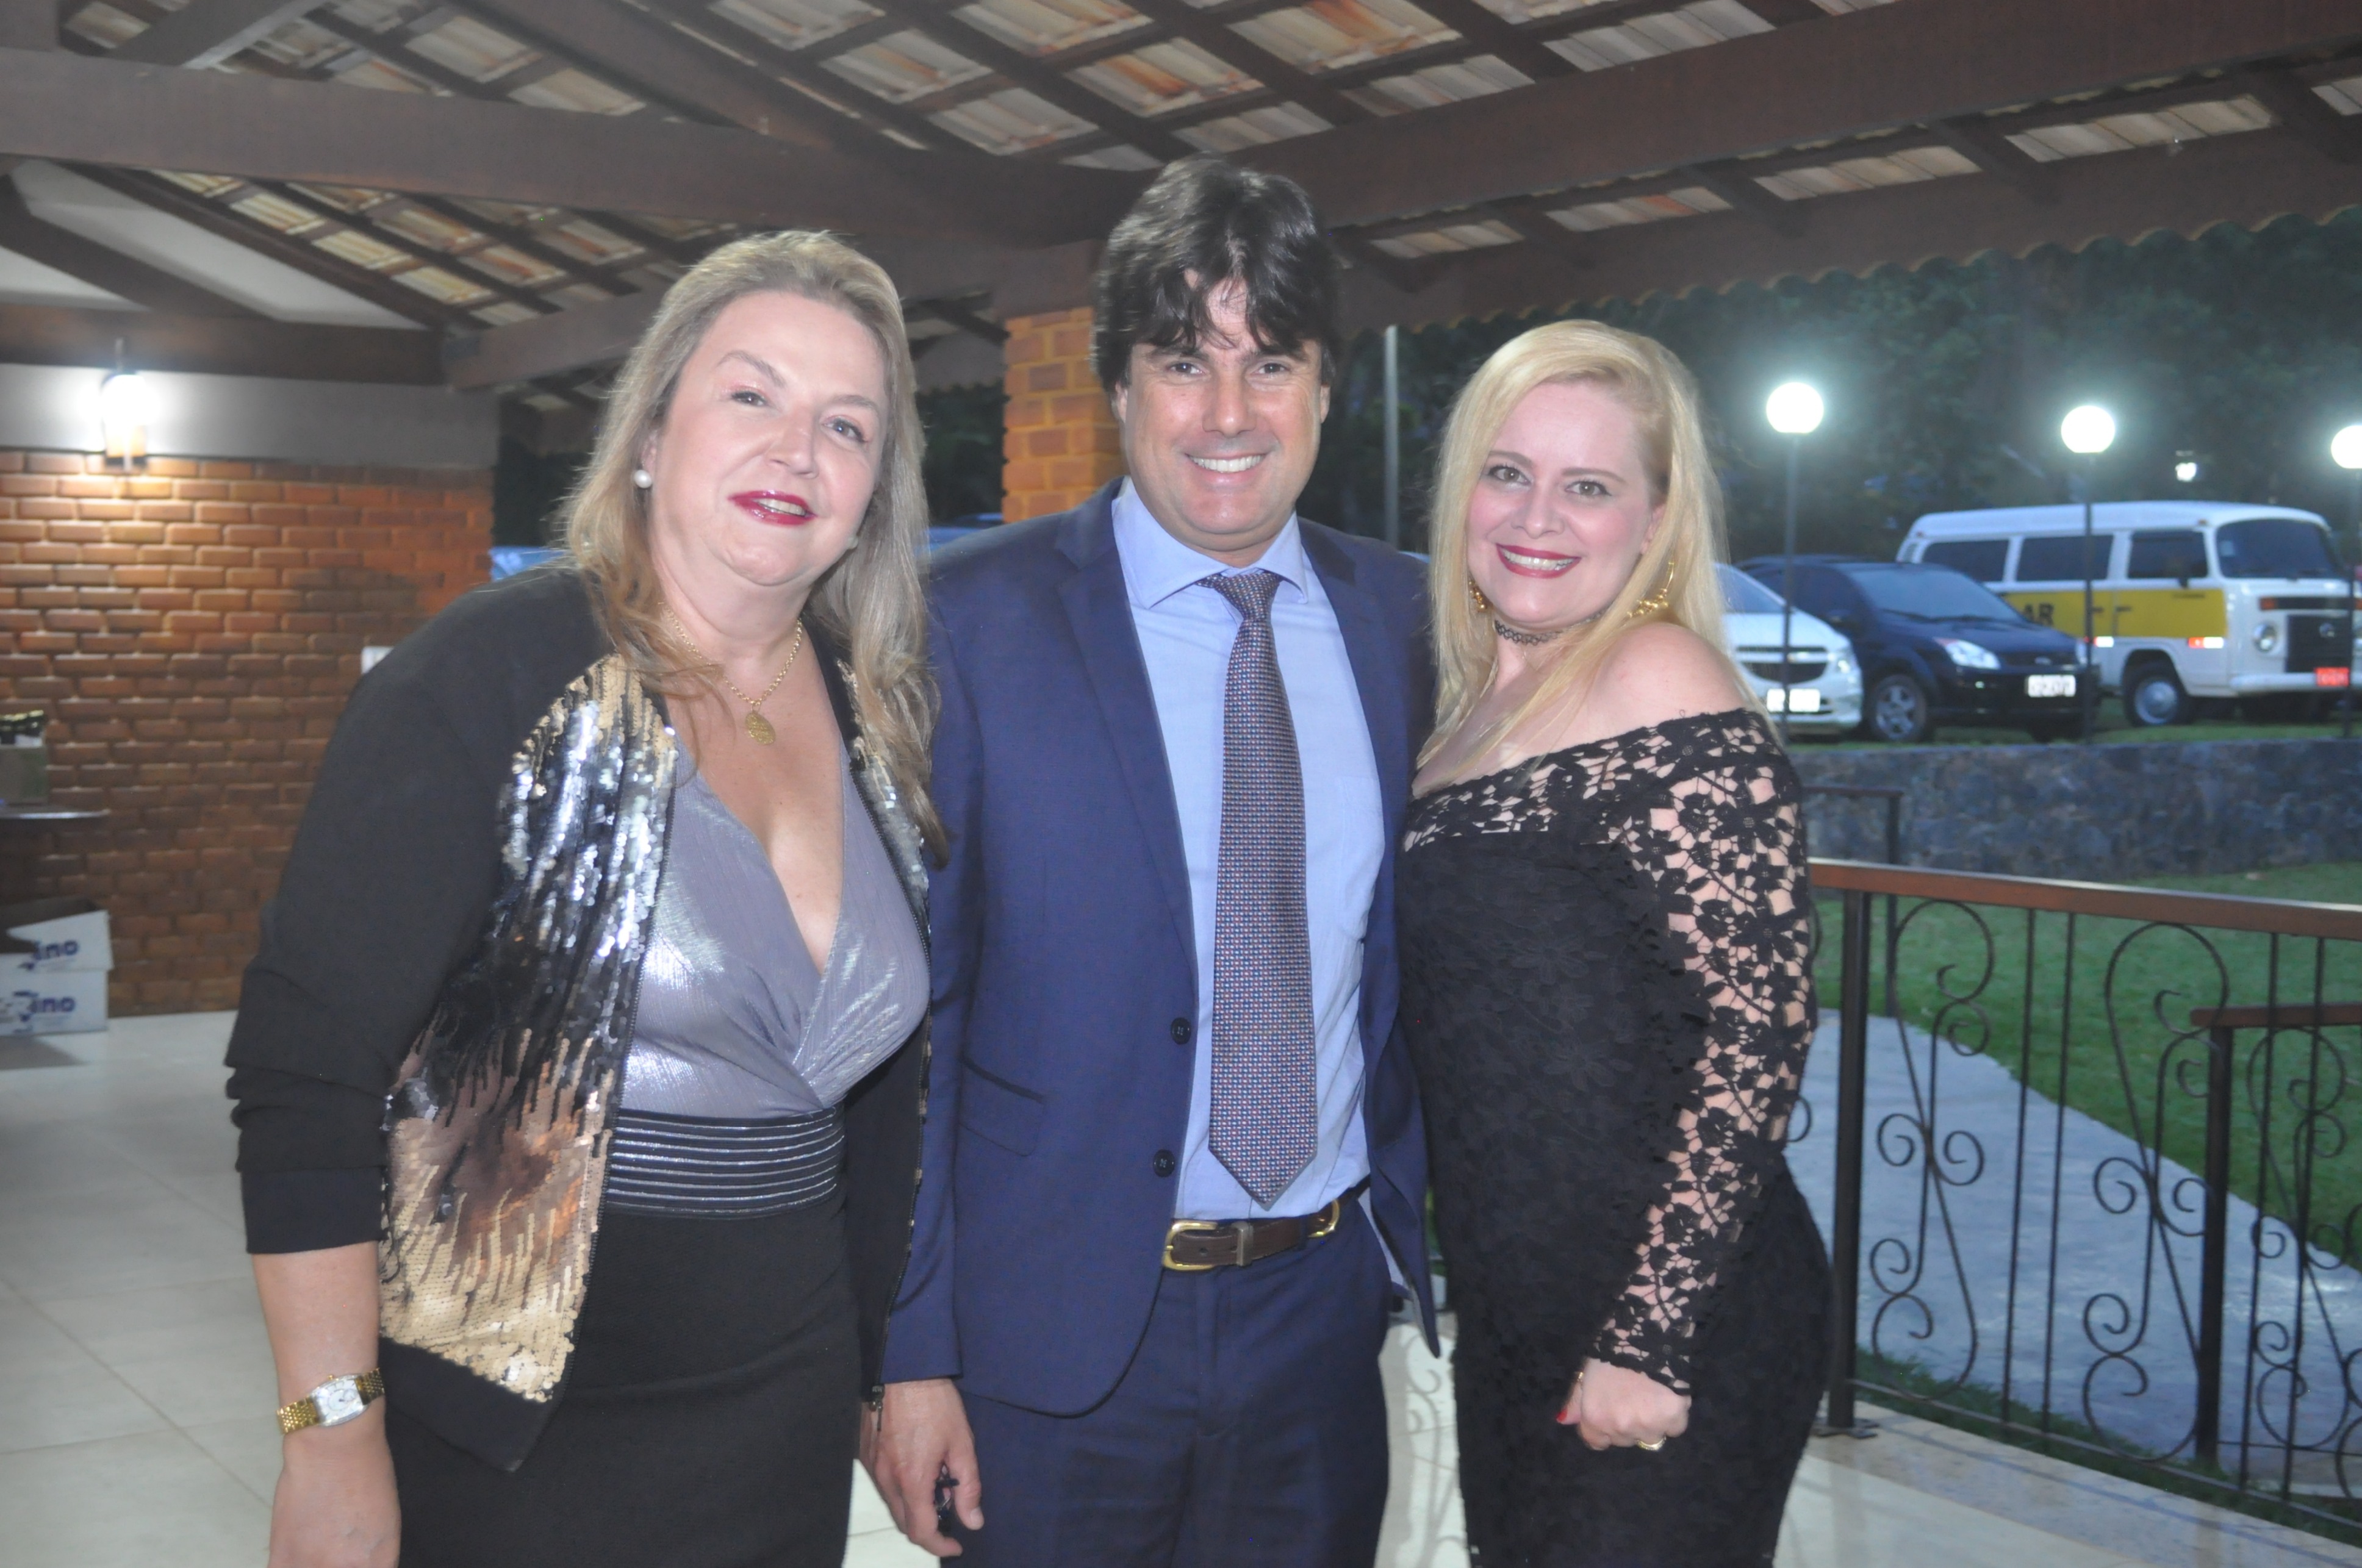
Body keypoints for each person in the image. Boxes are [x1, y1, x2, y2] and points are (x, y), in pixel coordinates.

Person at [223, 231, 941, 1568]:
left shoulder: (879, 714)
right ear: (652, 434)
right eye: (752, 394)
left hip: (784, 1420)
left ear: (871, 491)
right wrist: (330, 1436)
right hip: (519, 1434)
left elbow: (892, 1101)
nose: (796, 450)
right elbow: (302, 1075)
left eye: (846, 425)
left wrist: (891, 1363)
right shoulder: (484, 677)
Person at [864, 156, 1436, 1566]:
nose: (1228, 412)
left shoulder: (1412, 626)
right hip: (1043, 1344)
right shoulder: (968, 625)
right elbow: (911, 1023)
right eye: (1184, 361)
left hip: (1317, 1326)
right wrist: (908, 1351)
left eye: (1270, 361)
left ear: (1325, 386)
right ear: (1119, 385)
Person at [1397, 321, 1829, 1567]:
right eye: (1507, 472)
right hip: (1520, 1312)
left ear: (1654, 521)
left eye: (1588, 486)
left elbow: (1759, 1027)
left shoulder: (1657, 673)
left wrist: (1651, 1332)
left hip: (1669, 1315)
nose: (1537, 516)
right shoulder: (1465, 714)